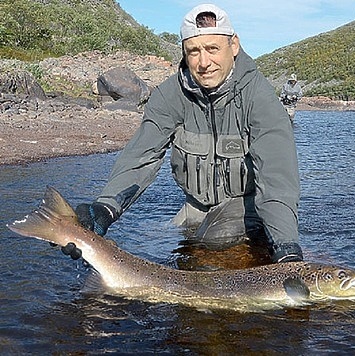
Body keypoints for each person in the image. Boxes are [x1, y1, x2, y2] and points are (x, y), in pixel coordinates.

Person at [65, 4, 303, 264]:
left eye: (213, 49)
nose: (203, 63)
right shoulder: (169, 96)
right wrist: (105, 208)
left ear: (233, 46)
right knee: (153, 239)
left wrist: (286, 247)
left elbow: (276, 177)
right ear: (184, 53)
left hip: (247, 206)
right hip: (196, 206)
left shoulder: (260, 97)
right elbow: (141, 157)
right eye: (194, 52)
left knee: (213, 246)